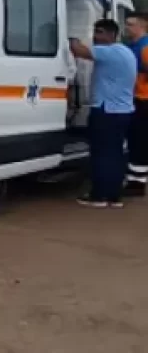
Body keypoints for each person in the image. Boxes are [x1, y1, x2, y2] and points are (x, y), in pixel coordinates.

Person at [70, 18, 136, 208]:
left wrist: (70, 38)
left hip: (107, 111)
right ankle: (114, 196)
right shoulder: (126, 52)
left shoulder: (109, 52)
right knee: (115, 155)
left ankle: (99, 196)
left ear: (110, 34)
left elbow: (78, 51)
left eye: (99, 32)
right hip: (122, 112)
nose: (95, 36)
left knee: (100, 154)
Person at [124, 12, 148, 195]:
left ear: (142, 26)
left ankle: (138, 183)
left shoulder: (145, 47)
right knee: (134, 140)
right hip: (135, 98)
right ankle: (134, 178)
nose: (127, 27)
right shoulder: (132, 46)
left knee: (140, 141)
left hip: (143, 100)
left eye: (131, 24)